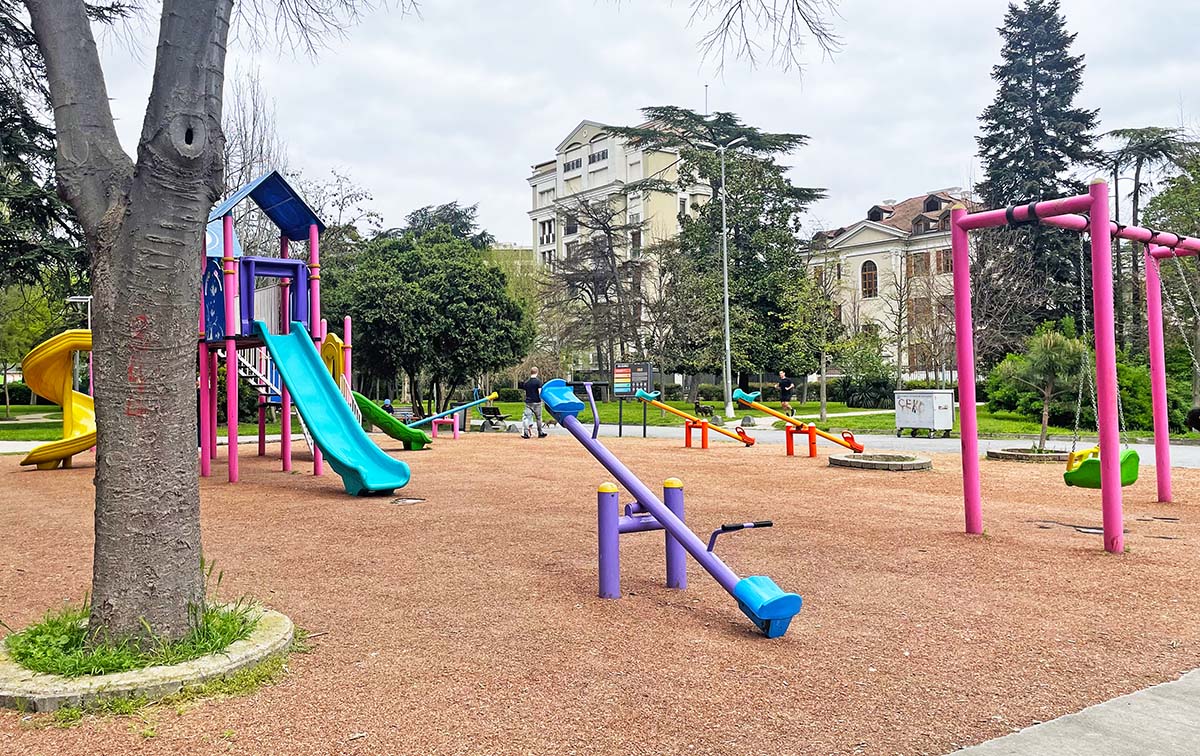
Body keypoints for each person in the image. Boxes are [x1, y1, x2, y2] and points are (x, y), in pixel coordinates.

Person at [518, 367, 547, 439]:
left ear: (530, 372)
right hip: (537, 402)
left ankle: (526, 433)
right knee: (538, 418)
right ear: (537, 372)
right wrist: (542, 400)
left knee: (526, 418)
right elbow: (540, 392)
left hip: (528, 402)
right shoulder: (538, 382)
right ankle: (540, 432)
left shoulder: (527, 383)